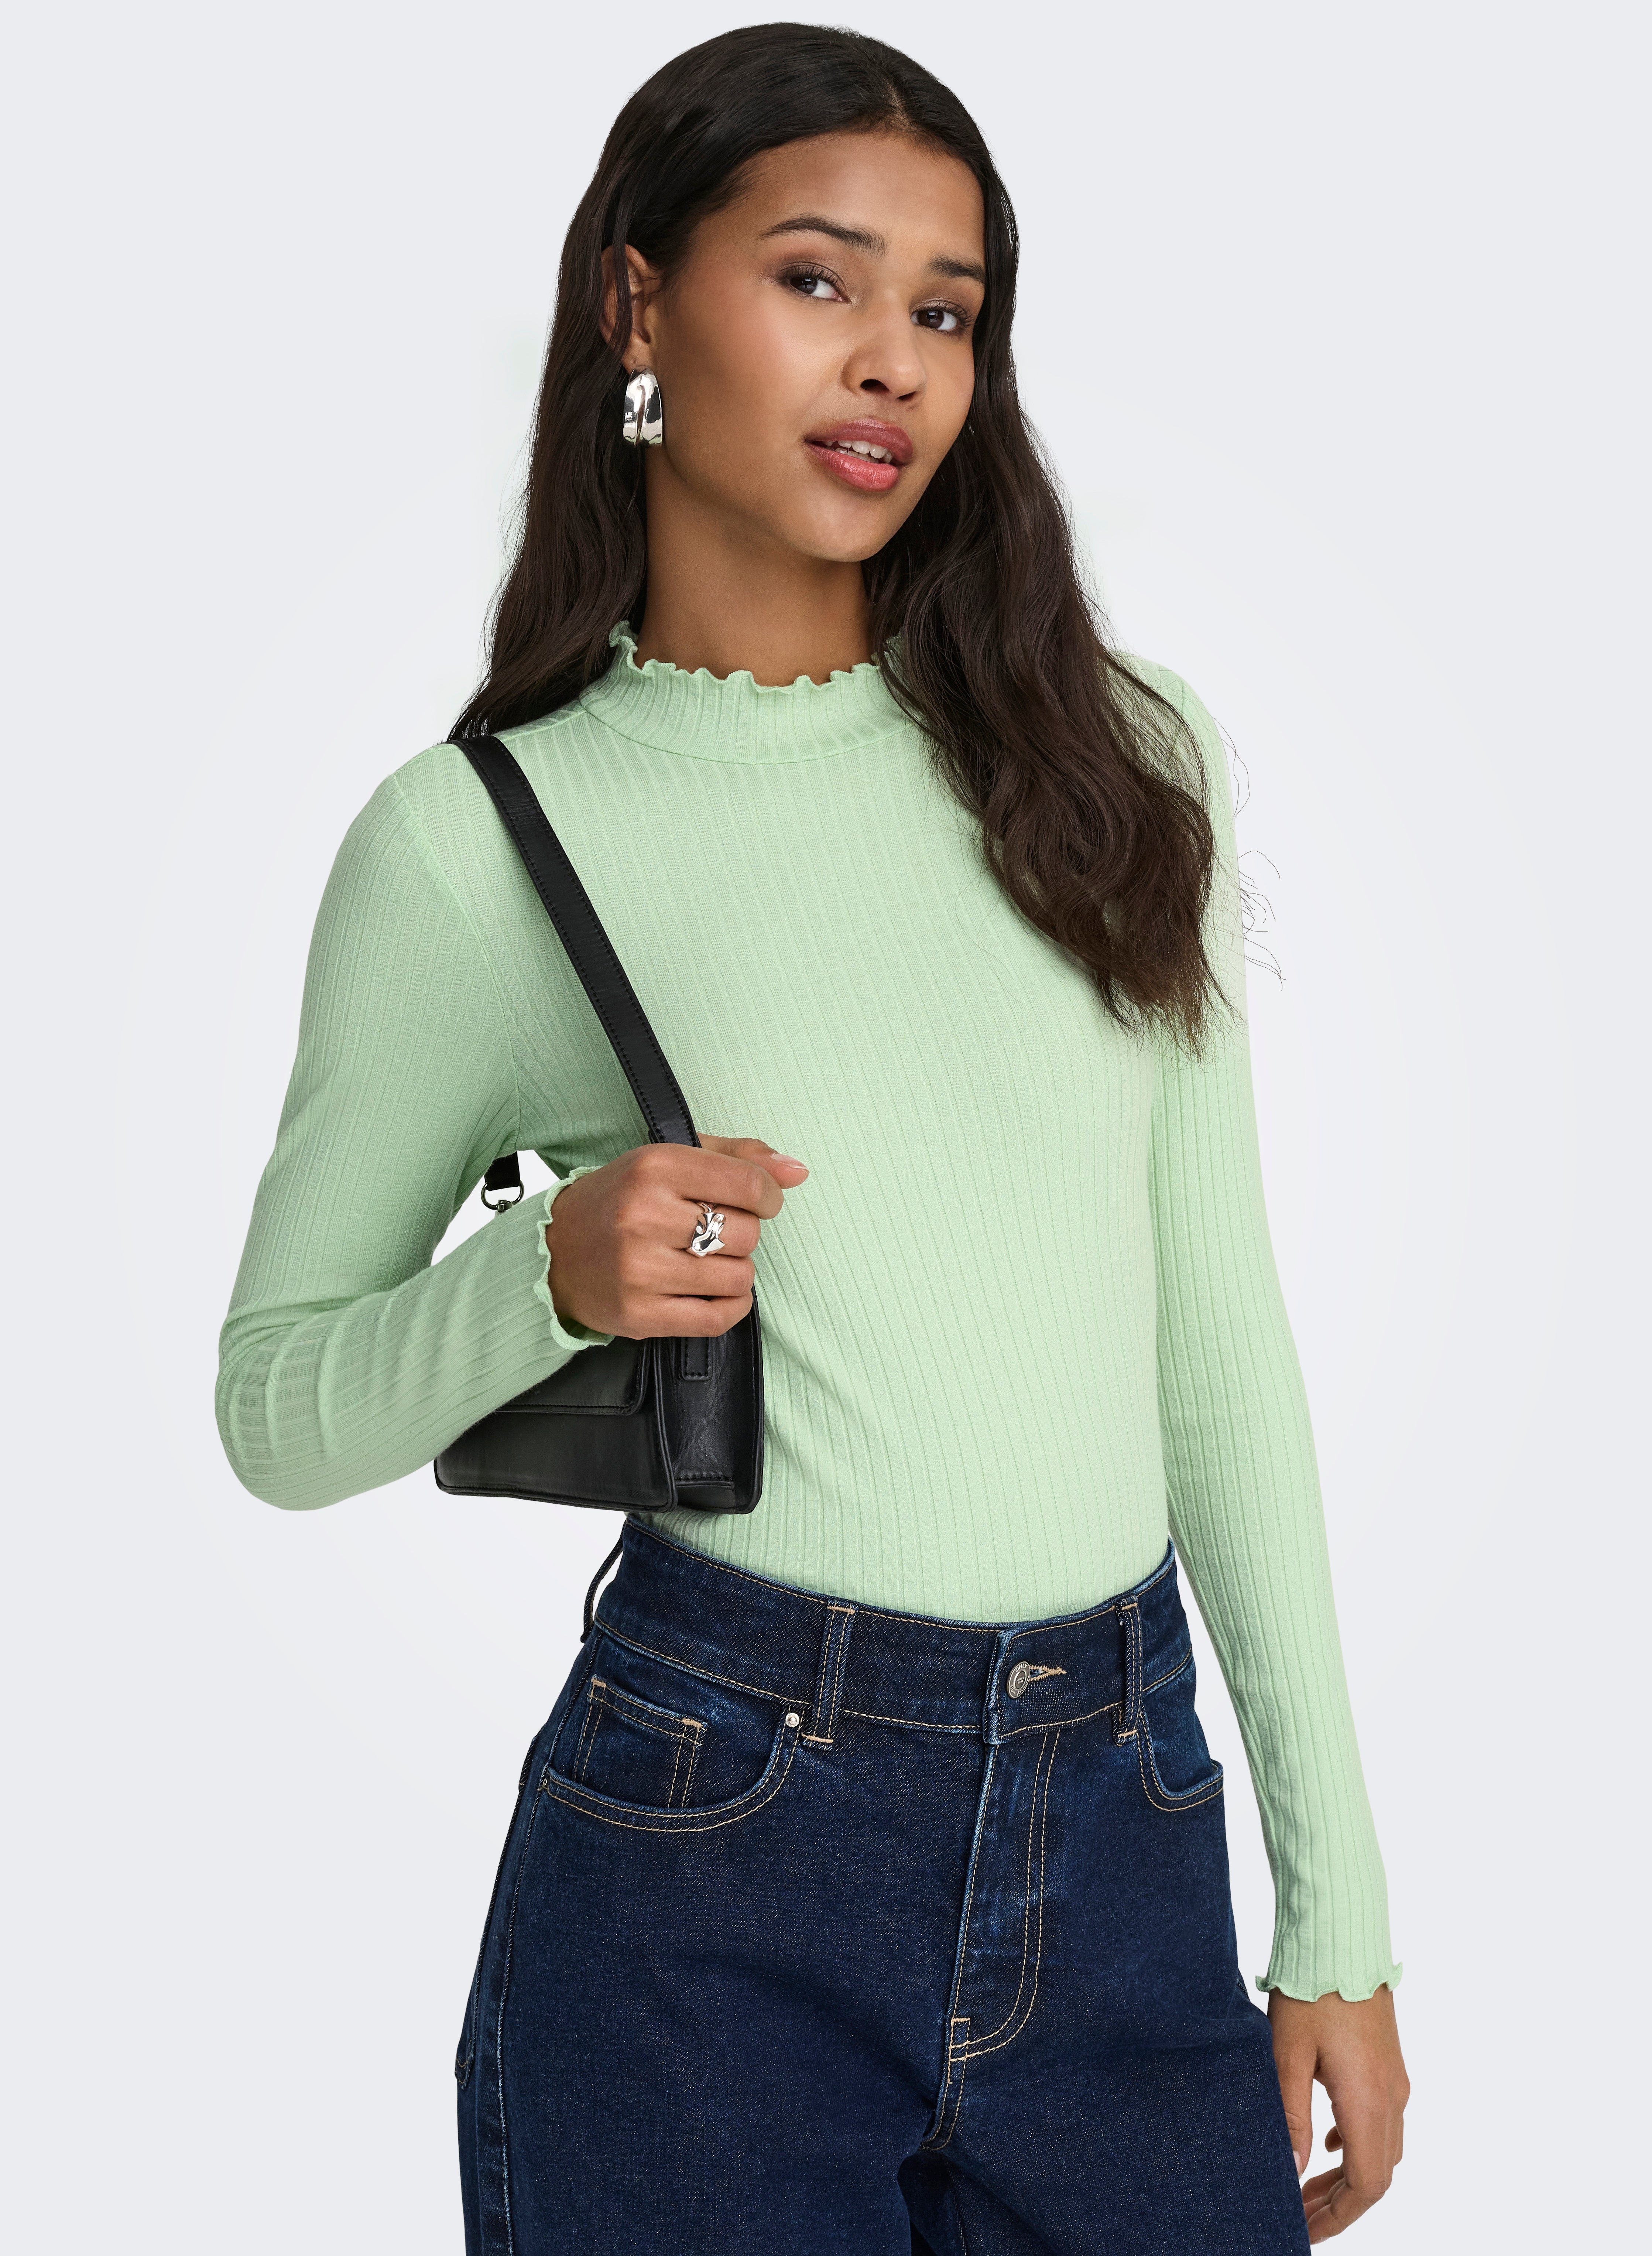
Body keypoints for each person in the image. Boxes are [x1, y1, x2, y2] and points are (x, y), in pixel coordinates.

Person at [217, 23, 1409, 2253]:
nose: (891, 364)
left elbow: (1219, 1344)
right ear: (637, 302)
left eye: (945, 311)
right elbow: (273, 1408)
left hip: (1129, 1818)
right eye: (816, 280)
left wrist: (1333, 1909)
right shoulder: (477, 844)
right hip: (713, 1847)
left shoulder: (1116, 761)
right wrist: (546, 1274)